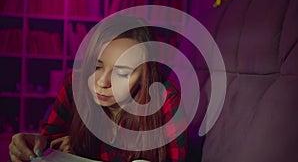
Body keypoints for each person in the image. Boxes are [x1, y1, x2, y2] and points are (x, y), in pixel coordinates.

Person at [9, 15, 187, 162]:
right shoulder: (76, 84)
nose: (102, 82)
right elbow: (49, 140)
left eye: (123, 73)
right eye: (96, 66)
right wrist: (38, 144)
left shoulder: (166, 99)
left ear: (145, 75)